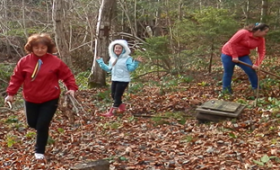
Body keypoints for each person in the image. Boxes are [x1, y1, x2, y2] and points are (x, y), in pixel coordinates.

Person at [4, 33, 78, 160]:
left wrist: (71, 88)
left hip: (50, 98)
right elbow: (16, 78)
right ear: (31, 48)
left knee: (42, 124)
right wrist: (11, 94)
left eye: (43, 48)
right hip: (30, 98)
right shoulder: (24, 61)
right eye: (37, 47)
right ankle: (42, 134)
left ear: (47, 48)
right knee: (32, 123)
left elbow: (67, 75)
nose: (39, 50)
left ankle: (39, 151)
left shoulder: (55, 62)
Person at [96, 39, 143, 117]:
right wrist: (100, 62)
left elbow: (131, 68)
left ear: (123, 49)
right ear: (113, 49)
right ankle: (122, 107)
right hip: (114, 79)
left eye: (119, 48)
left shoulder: (127, 58)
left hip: (123, 80)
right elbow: (108, 69)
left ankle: (111, 112)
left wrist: (136, 62)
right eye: (116, 48)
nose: (117, 49)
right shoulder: (112, 58)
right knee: (113, 95)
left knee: (117, 96)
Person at [221, 23, 269, 94]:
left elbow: (261, 52)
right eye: (265, 31)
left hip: (243, 56)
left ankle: (256, 89)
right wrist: (234, 55)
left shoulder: (261, 39)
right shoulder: (243, 33)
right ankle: (226, 91)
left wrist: (257, 64)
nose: (266, 33)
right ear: (259, 30)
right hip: (228, 54)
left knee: (251, 71)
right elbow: (231, 43)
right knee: (228, 73)